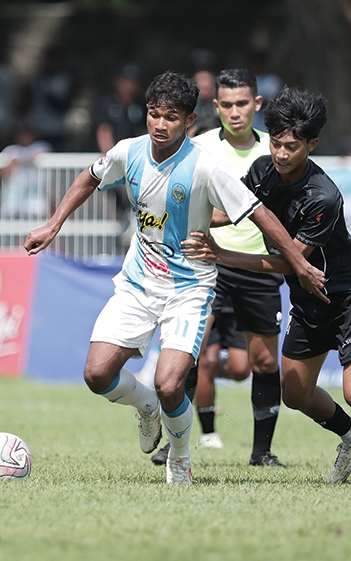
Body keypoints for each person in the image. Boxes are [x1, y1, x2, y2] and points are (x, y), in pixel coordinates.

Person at [23, 71, 325, 485]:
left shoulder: (206, 166)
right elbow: (90, 177)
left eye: (171, 117)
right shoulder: (128, 151)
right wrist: (53, 224)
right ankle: (146, 407)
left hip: (189, 289)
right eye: (154, 114)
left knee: (170, 384)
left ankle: (180, 457)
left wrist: (300, 263)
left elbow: (260, 213)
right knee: (97, 375)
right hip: (137, 284)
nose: (160, 125)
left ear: (189, 120)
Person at [182, 87, 351, 486]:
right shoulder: (262, 171)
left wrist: (221, 254)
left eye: (292, 146)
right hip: (308, 304)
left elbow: (292, 262)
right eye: (276, 143)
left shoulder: (322, 197)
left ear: (312, 144)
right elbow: (228, 210)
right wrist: (184, 215)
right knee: (295, 395)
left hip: (350, 298)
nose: (281, 154)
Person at [151, 68, 286, 468]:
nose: (235, 112)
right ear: (216, 106)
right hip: (208, 264)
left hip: (258, 266)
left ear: (257, 103)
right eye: (226, 105)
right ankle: (175, 443)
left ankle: (262, 453)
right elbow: (175, 197)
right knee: (189, 354)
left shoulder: (276, 150)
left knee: (262, 363)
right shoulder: (199, 146)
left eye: (242, 103)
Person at [94, 64, 146, 153]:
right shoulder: (107, 103)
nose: (129, 86)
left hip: (135, 154)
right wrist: (111, 156)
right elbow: (104, 131)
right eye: (126, 81)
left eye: (133, 82)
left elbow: (145, 132)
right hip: (112, 154)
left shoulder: (141, 105)